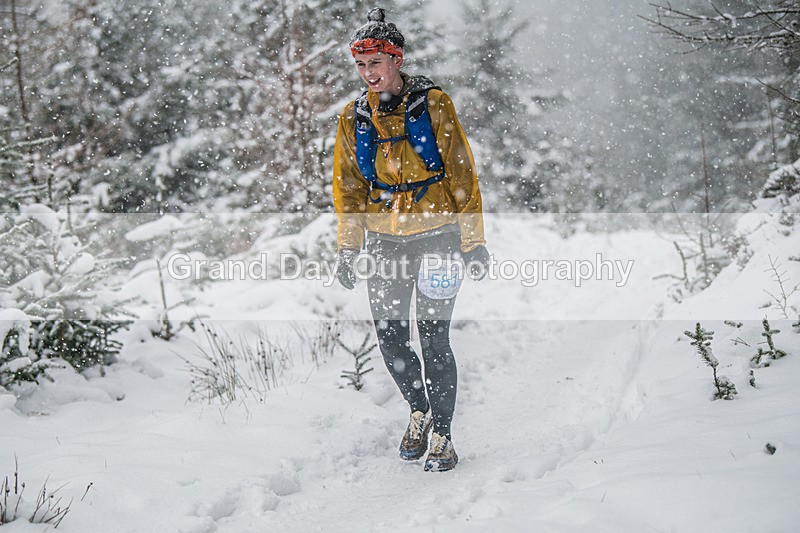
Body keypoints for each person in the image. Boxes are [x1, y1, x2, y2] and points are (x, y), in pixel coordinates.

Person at [331, 8, 490, 472]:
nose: (368, 73)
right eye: (361, 65)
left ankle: (443, 434)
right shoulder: (354, 117)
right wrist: (348, 247)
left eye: (376, 62)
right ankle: (419, 411)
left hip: (438, 236)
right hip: (384, 240)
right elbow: (348, 188)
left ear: (396, 60)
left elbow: (462, 174)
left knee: (434, 338)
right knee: (391, 339)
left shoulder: (433, 104)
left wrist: (472, 241)